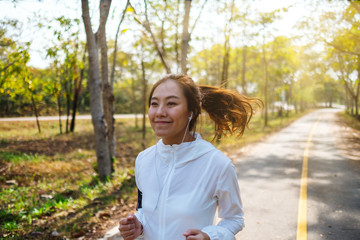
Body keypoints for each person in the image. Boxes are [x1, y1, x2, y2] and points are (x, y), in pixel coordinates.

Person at [119, 74, 262, 240]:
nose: (159, 112)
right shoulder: (144, 160)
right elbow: (145, 210)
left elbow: (234, 219)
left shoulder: (217, 164)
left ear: (191, 112)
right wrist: (139, 225)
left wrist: (210, 235)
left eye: (171, 103)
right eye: (154, 104)